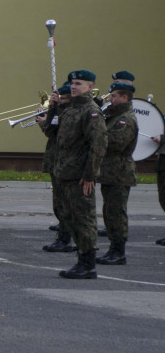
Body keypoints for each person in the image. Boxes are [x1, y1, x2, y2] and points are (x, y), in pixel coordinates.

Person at [55, 69, 108, 279]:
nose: (74, 86)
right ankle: (81, 260)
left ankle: (88, 264)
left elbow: (99, 145)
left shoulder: (90, 111)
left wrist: (90, 175)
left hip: (80, 175)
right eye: (72, 83)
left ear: (90, 86)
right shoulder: (70, 110)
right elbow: (55, 136)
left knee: (84, 219)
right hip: (66, 173)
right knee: (72, 219)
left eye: (78, 83)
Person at [95, 82, 138, 265]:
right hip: (110, 171)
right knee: (109, 211)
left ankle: (118, 251)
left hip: (119, 172)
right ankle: (113, 248)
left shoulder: (126, 119)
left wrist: (98, 132)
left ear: (124, 98)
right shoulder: (114, 116)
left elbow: (116, 143)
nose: (110, 99)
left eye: (114, 96)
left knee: (116, 213)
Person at [37, 83, 76, 251]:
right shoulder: (61, 111)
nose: (62, 102)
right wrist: (52, 108)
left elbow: (61, 132)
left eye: (64, 99)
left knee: (66, 205)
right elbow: (50, 131)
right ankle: (63, 237)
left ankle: (67, 239)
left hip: (67, 163)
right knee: (58, 204)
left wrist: (56, 109)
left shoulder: (72, 114)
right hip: (56, 161)